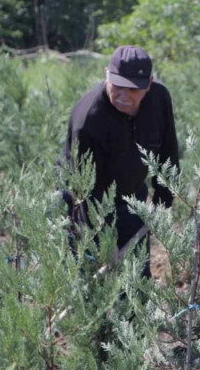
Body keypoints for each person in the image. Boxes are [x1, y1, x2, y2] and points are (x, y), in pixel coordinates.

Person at [61, 45, 180, 278]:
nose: (124, 95)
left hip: (130, 197)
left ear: (149, 83)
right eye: (118, 86)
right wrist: (103, 240)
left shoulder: (159, 100)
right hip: (83, 203)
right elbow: (84, 188)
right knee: (91, 281)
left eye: (133, 89)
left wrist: (162, 203)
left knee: (135, 281)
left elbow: (168, 154)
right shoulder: (88, 120)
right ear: (106, 75)